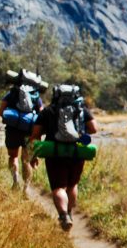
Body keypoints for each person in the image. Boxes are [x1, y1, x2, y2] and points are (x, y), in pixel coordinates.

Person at [29, 88, 97, 231]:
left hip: (54, 153)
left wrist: (33, 155)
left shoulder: (48, 111)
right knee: (72, 185)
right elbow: (94, 129)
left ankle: (63, 215)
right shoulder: (81, 110)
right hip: (76, 152)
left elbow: (35, 134)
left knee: (58, 187)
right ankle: (70, 213)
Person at [0, 73, 44, 190]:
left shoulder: (12, 93)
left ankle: (15, 181)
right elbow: (41, 117)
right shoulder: (36, 97)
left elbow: (0, 112)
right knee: (26, 160)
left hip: (12, 130)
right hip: (29, 132)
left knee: (13, 157)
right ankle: (26, 188)